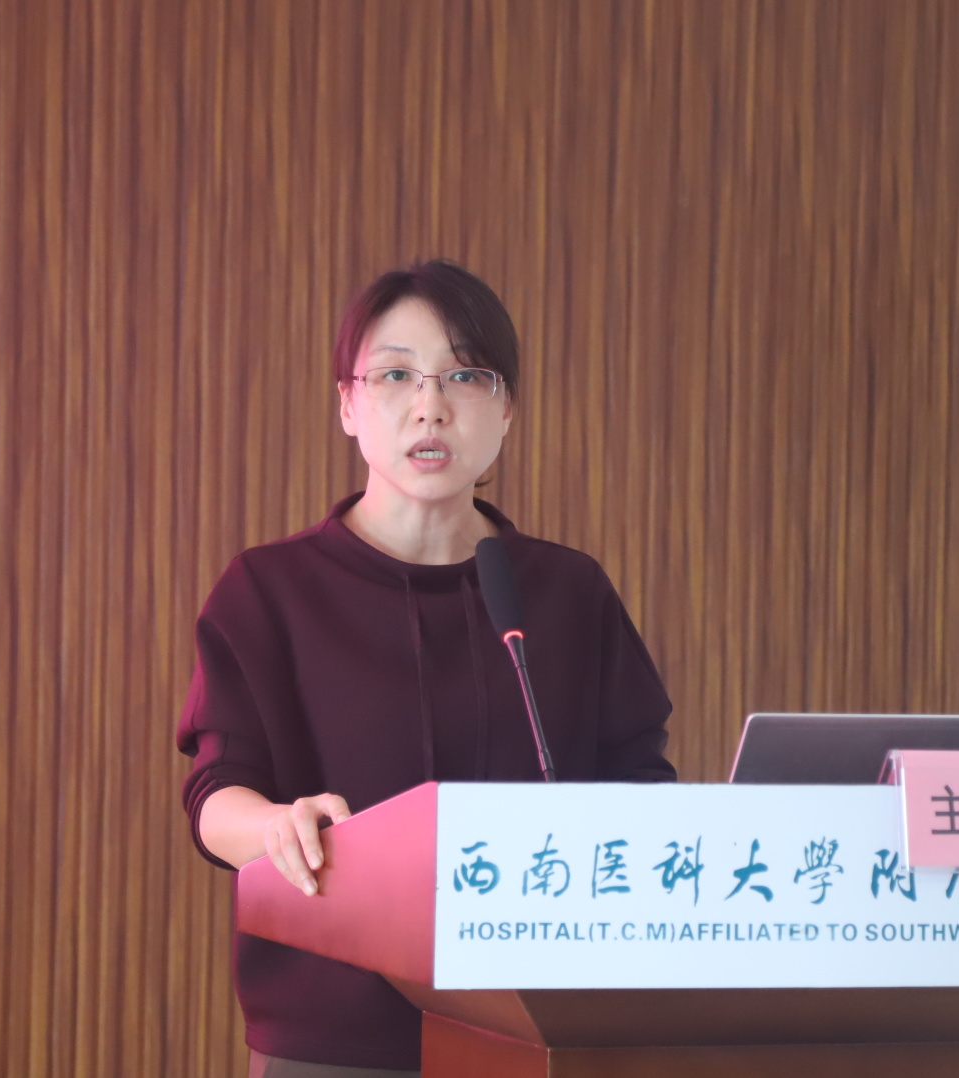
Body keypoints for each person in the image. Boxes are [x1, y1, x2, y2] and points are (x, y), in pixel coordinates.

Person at [175, 260, 678, 1078]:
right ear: (348, 404)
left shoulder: (567, 593)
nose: (430, 405)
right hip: (335, 1045)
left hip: (543, 1035)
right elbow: (215, 792)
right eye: (395, 374)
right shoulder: (269, 590)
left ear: (506, 409)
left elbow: (640, 787)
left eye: (466, 375)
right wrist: (275, 828)